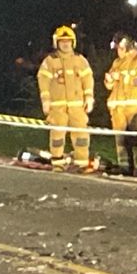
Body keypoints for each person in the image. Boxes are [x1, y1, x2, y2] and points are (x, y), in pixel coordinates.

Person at [37, 25, 95, 172]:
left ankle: (81, 163)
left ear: (73, 42)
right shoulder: (50, 61)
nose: (65, 44)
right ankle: (58, 162)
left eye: (68, 41)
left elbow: (88, 79)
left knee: (81, 134)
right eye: (62, 41)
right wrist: (45, 100)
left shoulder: (80, 60)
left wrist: (89, 97)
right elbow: (43, 80)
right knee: (57, 134)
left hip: (77, 106)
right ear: (56, 43)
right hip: (57, 106)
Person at [104, 33, 137, 176]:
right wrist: (110, 80)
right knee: (120, 141)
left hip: (134, 107)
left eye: (119, 48)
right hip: (117, 107)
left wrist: (122, 77)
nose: (118, 51)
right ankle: (124, 166)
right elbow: (109, 86)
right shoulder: (117, 63)